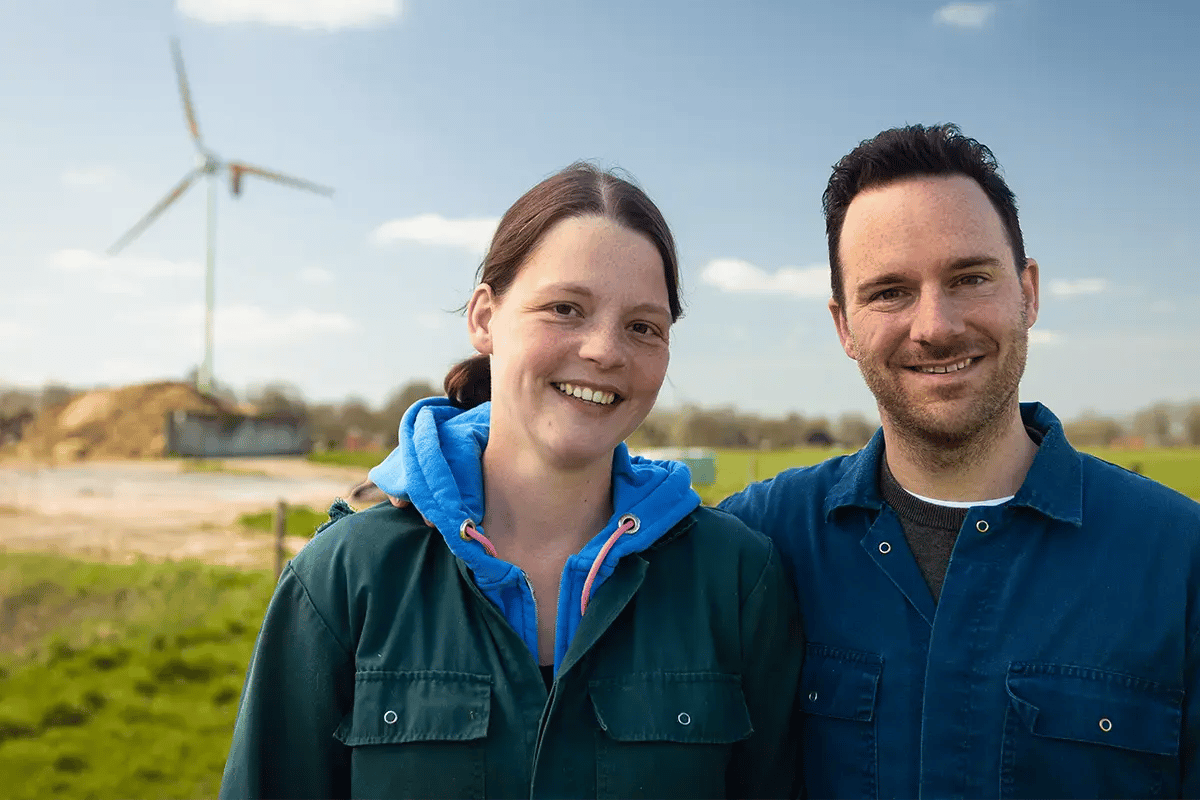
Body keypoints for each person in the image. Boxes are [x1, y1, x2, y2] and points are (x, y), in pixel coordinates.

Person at [219, 163, 803, 799]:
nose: (607, 350)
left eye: (643, 326)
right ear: (484, 318)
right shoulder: (345, 578)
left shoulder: (737, 579)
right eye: (565, 309)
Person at [717, 123, 1200, 798]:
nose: (936, 325)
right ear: (843, 327)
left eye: (969, 277)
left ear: (1028, 293)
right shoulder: (755, 544)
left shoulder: (1180, 558)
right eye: (889, 291)